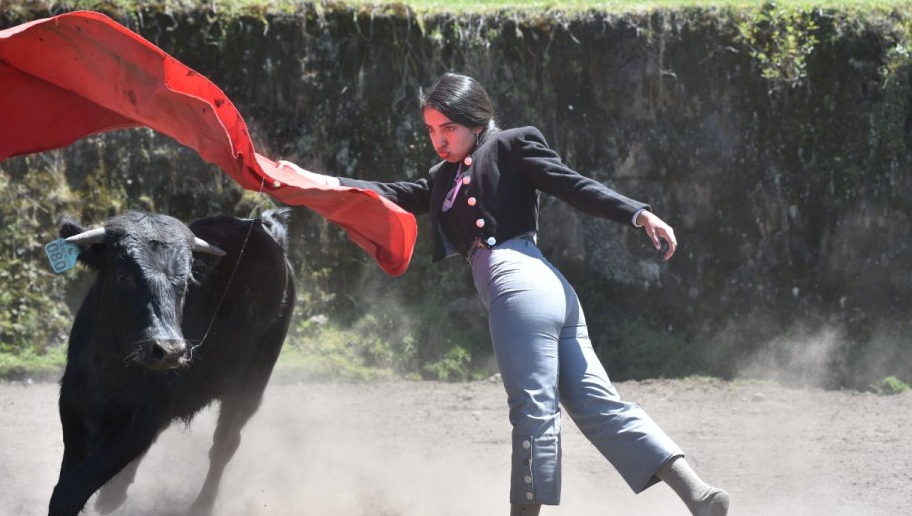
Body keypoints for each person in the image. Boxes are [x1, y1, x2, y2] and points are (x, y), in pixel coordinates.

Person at [280, 73, 729, 516]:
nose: (439, 140)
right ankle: (700, 496)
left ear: (477, 121)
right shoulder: (442, 177)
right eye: (431, 130)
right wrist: (316, 182)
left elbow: (571, 183)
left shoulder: (511, 144)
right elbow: (388, 193)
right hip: (550, 292)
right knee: (598, 405)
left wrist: (638, 214)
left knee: (533, 411)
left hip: (520, 289)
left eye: (448, 127)